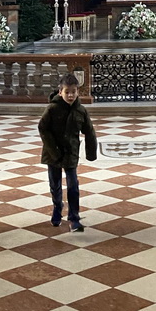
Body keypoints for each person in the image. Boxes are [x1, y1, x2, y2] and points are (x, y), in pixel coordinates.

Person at [38, 72, 97, 231]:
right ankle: (57, 208)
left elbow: (90, 132)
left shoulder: (81, 111)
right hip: (52, 154)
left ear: (78, 92)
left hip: (71, 153)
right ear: (60, 92)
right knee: (55, 185)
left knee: (73, 186)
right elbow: (43, 128)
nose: (70, 95)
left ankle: (74, 218)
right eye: (67, 92)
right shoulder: (52, 109)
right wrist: (53, 150)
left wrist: (91, 153)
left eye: (73, 92)